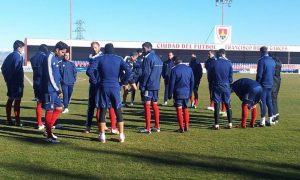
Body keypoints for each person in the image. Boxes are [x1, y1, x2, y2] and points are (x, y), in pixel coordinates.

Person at [95, 43, 130, 143]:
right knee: (118, 110)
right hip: (115, 86)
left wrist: (97, 82)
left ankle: (102, 135)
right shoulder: (118, 59)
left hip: (104, 86)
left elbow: (89, 71)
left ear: (105, 50)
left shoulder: (100, 58)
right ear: (113, 50)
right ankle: (121, 135)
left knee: (103, 109)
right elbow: (128, 71)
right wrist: (123, 82)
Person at [86, 42, 118, 134]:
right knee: (92, 105)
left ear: (99, 47)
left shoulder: (102, 57)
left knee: (103, 105)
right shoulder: (90, 56)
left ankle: (104, 126)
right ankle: (88, 126)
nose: (94, 49)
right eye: (92, 47)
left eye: (95, 47)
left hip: (102, 84)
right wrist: (94, 80)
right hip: (93, 85)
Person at [41, 41, 68, 143]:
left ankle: (48, 130)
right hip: (49, 90)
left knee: (59, 108)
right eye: (62, 52)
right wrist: (57, 89)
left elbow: (57, 76)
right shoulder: (49, 57)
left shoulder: (56, 58)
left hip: (55, 90)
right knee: (49, 110)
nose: (63, 54)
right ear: (57, 50)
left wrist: (59, 88)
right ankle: (48, 136)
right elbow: (50, 75)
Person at [139, 42, 163, 133]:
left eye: (143, 48)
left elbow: (146, 73)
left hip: (149, 85)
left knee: (147, 106)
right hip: (156, 85)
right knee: (155, 105)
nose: (142, 50)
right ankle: (157, 126)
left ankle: (148, 128)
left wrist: (143, 85)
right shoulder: (158, 57)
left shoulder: (147, 58)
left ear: (147, 48)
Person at [1, 40, 25, 126]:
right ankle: (17, 121)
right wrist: (14, 80)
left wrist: (7, 79)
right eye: (22, 48)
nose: (23, 50)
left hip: (11, 82)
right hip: (16, 83)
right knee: (17, 101)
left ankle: (8, 119)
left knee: (10, 99)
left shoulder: (10, 55)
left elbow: (3, 68)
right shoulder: (17, 56)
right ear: (19, 48)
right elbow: (16, 70)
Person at [168, 56, 194, 133]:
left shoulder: (174, 70)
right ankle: (186, 126)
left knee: (179, 109)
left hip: (178, 92)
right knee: (185, 108)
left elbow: (172, 83)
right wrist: (190, 92)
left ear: (174, 62)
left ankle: (181, 127)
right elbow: (192, 81)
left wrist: (169, 94)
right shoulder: (189, 68)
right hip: (187, 92)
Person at [209, 49, 233, 130]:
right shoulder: (229, 63)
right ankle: (230, 123)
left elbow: (210, 76)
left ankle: (216, 124)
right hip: (226, 85)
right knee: (228, 104)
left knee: (216, 104)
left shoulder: (213, 63)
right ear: (223, 54)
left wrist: (212, 82)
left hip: (216, 85)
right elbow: (231, 77)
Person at [30, 44, 49, 129]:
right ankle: (48, 123)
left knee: (39, 103)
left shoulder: (33, 57)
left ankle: (39, 123)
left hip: (36, 83)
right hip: (45, 84)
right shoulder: (45, 57)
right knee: (48, 103)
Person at [256, 46, 276, 126]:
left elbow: (259, 74)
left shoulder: (261, 61)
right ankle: (270, 119)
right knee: (269, 101)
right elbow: (273, 73)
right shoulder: (272, 61)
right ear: (267, 51)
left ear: (261, 52)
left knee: (263, 102)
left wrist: (257, 83)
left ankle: (263, 120)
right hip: (270, 83)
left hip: (263, 84)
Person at [59, 49, 77, 113]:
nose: (66, 56)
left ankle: (66, 104)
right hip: (64, 83)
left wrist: (74, 79)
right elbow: (59, 74)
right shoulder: (60, 63)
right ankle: (66, 108)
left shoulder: (72, 64)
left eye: (68, 55)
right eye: (65, 55)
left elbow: (75, 72)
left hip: (71, 83)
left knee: (69, 95)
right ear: (63, 56)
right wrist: (61, 80)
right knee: (65, 95)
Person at [270, 53, 282, 123]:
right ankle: (276, 115)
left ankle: (273, 116)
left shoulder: (274, 65)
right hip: (278, 82)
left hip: (273, 82)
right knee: (274, 99)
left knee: (271, 100)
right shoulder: (279, 64)